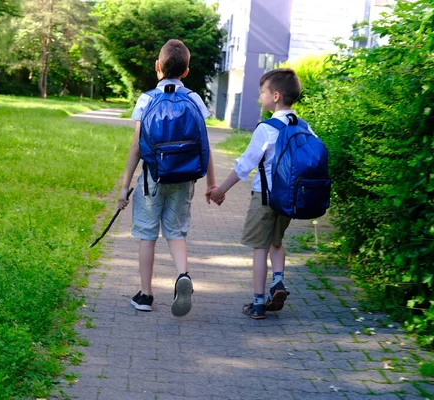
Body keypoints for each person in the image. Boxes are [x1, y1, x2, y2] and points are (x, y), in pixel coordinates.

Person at [117, 39, 219, 316]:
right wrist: (211, 184)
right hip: (185, 178)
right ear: (186, 71)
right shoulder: (195, 99)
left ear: (157, 67)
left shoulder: (147, 99)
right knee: (176, 232)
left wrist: (124, 187)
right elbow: (204, 145)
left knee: (147, 235)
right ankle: (182, 275)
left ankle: (146, 295)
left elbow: (137, 146)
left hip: (152, 179)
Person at [209, 68, 311, 319]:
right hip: (289, 199)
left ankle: (257, 303)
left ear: (275, 96)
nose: (260, 97)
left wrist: (220, 190)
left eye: (262, 92)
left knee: (259, 248)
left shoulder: (266, 129)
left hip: (264, 198)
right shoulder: (305, 127)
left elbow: (245, 164)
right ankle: (277, 282)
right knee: (277, 243)